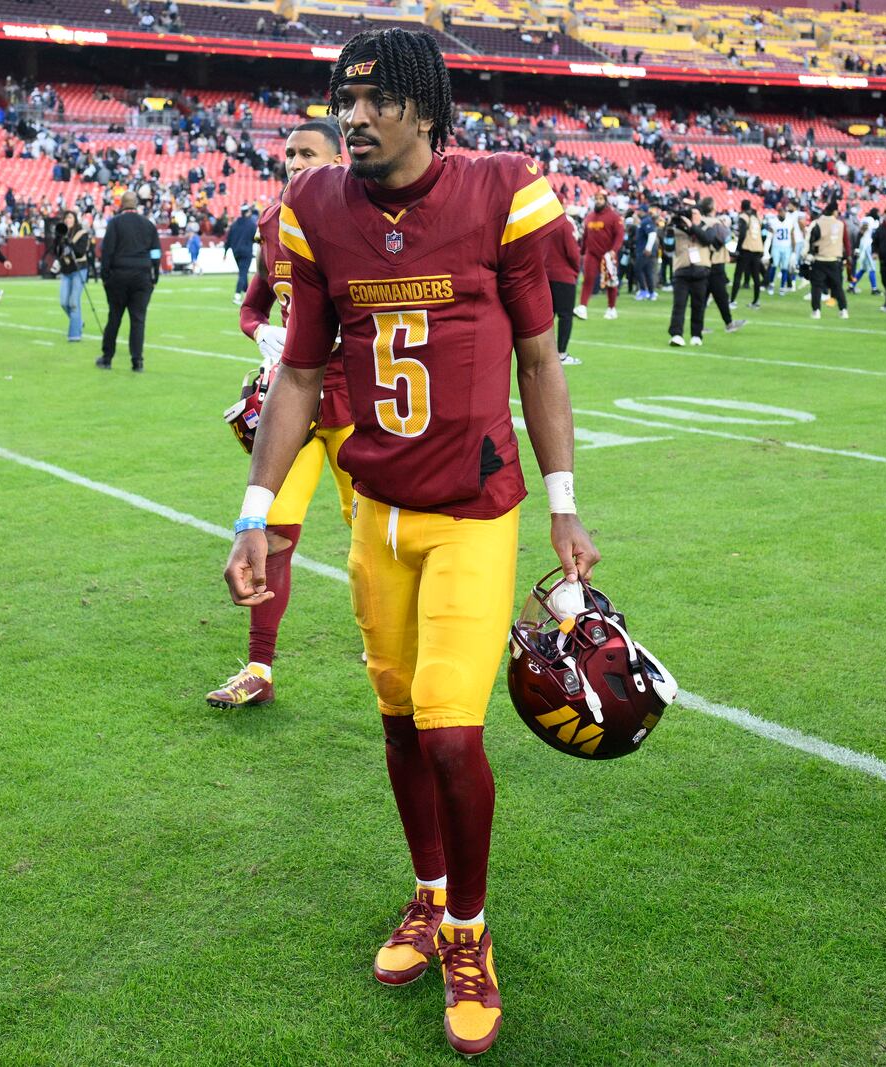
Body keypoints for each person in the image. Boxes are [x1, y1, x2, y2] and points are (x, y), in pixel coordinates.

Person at [221, 29, 597, 1058]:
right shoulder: (313, 207)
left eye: (374, 99)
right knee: (396, 718)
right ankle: (426, 897)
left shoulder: (500, 191)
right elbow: (298, 375)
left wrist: (562, 501)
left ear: (424, 109)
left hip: (472, 509)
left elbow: (538, 357)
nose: (352, 115)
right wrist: (255, 512)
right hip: (374, 509)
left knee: (447, 730)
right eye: (343, 97)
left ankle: (468, 932)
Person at [207, 119, 352, 709]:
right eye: (289, 153)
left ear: (340, 159)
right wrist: (262, 330)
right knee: (272, 535)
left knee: (373, 532)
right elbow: (250, 307)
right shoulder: (272, 223)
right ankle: (260, 669)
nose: (294, 162)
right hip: (293, 402)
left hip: (356, 401)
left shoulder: (359, 219)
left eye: (307, 153)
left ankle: (402, 641)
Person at [95, 191, 160, 372]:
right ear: (136, 204)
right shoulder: (148, 225)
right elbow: (156, 253)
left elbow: (107, 251)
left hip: (119, 276)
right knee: (138, 320)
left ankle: (107, 358)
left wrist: (105, 276)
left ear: (121, 205)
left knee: (114, 317)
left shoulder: (115, 223)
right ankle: (137, 361)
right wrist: (154, 275)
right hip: (142, 276)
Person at [667, 199, 714, 346]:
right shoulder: (677, 229)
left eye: (695, 213)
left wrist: (692, 226)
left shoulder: (707, 227)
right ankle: (676, 334)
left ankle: (696, 335)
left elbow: (707, 240)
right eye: (690, 214)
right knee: (679, 304)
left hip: (700, 271)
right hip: (682, 270)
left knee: (698, 305)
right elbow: (668, 249)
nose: (692, 216)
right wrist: (670, 227)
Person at [576, 192, 622, 319]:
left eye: (601, 199)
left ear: (606, 201)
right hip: (591, 254)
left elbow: (619, 235)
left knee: (610, 281)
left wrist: (614, 250)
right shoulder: (589, 217)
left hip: (607, 254)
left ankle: (611, 308)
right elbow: (586, 235)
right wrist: (582, 251)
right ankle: (582, 307)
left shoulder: (613, 217)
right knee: (588, 279)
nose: (598, 201)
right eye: (596, 198)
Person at [701, 199, 744, 334]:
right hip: (715, 264)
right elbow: (728, 240)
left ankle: (699, 326)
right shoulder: (716, 223)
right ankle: (729, 324)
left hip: (703, 263)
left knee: (702, 297)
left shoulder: (700, 222)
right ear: (712, 208)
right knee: (721, 296)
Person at [52, 210, 93, 343]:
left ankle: (74, 335)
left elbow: (80, 252)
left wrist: (68, 242)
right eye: (65, 218)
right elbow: (56, 252)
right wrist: (58, 239)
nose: (67, 220)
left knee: (74, 302)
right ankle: (78, 321)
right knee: (64, 302)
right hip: (66, 270)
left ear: (75, 219)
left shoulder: (82, 233)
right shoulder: (61, 234)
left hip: (79, 269)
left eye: (70, 217)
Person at [546, 212, 581, 365]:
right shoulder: (565, 224)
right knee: (566, 316)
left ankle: (547, 353)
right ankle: (561, 353)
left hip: (545, 276)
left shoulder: (542, 224)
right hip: (564, 275)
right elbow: (573, 252)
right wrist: (575, 269)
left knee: (548, 317)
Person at [806, 201, 850, 320]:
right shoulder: (841, 224)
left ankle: (816, 311)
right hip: (834, 260)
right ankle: (843, 310)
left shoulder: (817, 223)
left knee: (816, 287)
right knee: (837, 286)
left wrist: (808, 254)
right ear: (834, 211)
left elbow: (811, 241)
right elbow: (846, 241)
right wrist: (848, 257)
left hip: (819, 259)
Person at [730, 199, 765, 308]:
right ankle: (756, 301)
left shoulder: (744, 217)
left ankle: (732, 301)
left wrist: (738, 249)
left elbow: (743, 234)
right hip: (757, 249)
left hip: (746, 249)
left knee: (738, 275)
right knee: (755, 276)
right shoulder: (756, 217)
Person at [224, 203, 257, 305]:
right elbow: (256, 237)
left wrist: (225, 252)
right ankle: (237, 295)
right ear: (247, 212)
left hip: (236, 252)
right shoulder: (251, 224)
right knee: (243, 273)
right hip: (246, 252)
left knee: (243, 272)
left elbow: (228, 239)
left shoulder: (234, 224)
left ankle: (247, 293)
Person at [766, 206, 796, 294]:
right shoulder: (774, 221)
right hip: (776, 246)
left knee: (784, 268)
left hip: (787, 247)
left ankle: (782, 286)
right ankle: (771, 284)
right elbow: (770, 235)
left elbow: (792, 235)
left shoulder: (789, 222)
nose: (783, 213)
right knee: (774, 265)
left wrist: (794, 250)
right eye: (781, 212)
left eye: (784, 212)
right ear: (778, 212)